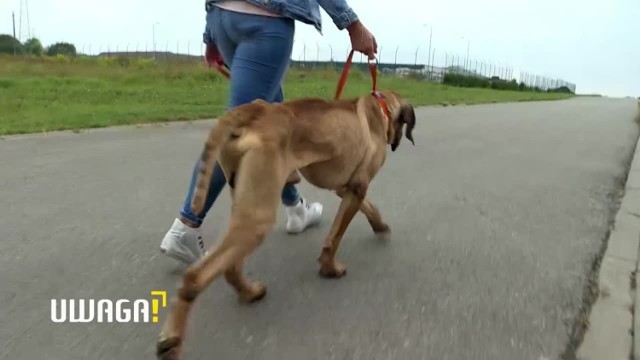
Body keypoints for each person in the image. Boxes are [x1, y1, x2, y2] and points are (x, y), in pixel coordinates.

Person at [160, 0, 378, 266]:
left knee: (275, 119)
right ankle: (187, 225)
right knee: (236, 132)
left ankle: (295, 208)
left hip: (224, 18)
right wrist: (352, 24)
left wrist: (211, 34)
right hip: (264, 21)